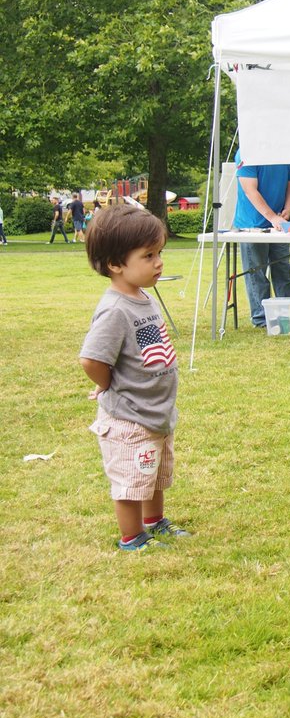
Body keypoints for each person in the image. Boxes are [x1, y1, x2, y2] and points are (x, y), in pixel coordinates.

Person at [79, 204, 191, 552]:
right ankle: (132, 536)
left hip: (154, 411)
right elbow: (91, 359)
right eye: (148, 255)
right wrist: (107, 384)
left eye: (160, 254)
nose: (159, 263)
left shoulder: (142, 298)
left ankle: (154, 521)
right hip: (129, 416)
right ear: (116, 264)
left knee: (153, 473)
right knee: (131, 478)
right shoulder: (115, 309)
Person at [234, 149, 290, 328]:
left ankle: (289, 314)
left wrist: (288, 209)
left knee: (282, 271)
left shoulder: (287, 153)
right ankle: (262, 318)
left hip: (279, 224)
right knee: (256, 274)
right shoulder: (246, 152)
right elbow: (250, 190)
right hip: (251, 225)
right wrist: (272, 217)